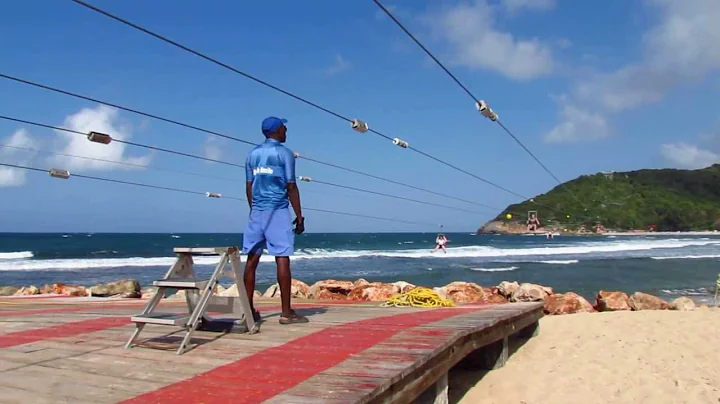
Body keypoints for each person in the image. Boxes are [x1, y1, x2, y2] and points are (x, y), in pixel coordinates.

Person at [242, 116, 308, 325]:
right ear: (277, 131)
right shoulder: (285, 154)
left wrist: (255, 210)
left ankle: (248, 311)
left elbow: (249, 187)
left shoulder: (252, 155)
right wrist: (299, 215)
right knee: (282, 257)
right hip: (278, 210)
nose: (286, 130)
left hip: (257, 212)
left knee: (252, 259)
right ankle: (286, 312)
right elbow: (291, 186)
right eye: (284, 127)